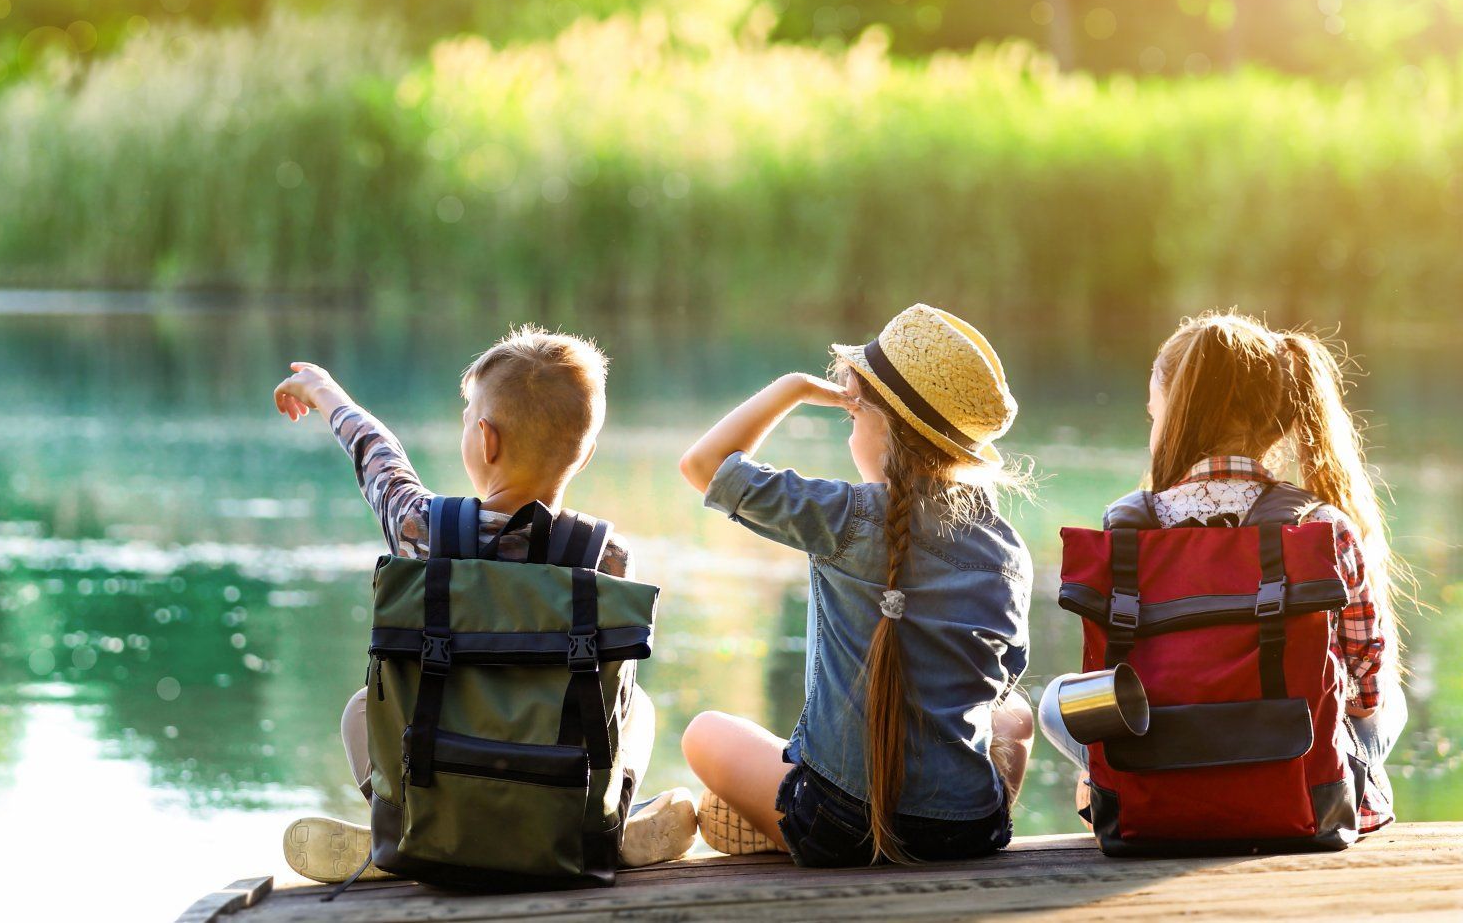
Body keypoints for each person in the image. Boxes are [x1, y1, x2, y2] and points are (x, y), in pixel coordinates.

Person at [269, 326, 697, 883]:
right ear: (586, 454)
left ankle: (405, 825)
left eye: (467, 418)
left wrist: (326, 392)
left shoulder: (421, 530)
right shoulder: (606, 558)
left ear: (486, 440)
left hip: (440, 781)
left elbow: (379, 459)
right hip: (560, 797)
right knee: (637, 707)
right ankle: (605, 829)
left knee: (361, 707)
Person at [676, 304, 1035, 866]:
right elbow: (1002, 681)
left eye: (851, 418)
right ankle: (931, 824)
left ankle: (777, 824)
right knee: (1017, 717)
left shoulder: (844, 516)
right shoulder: (1007, 549)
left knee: (703, 732)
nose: (849, 435)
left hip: (839, 823)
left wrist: (791, 389)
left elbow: (705, 464)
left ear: (882, 423)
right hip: (968, 830)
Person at [1037, 311, 1405, 835]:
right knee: (1390, 699)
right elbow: (1365, 691)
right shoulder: (1321, 527)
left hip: (1156, 760)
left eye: (1154, 413)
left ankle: (1142, 792)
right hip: (1295, 781)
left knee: (1057, 701)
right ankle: (1354, 794)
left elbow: (1109, 672)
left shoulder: (1127, 530)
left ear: (1177, 415)